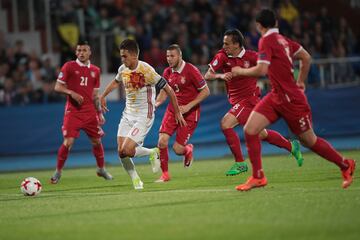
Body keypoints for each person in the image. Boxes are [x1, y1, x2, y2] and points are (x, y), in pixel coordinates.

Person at [232, 9, 356, 191]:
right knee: (250, 129)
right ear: (275, 23)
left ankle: (345, 164)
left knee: (309, 141)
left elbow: (261, 70)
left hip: (291, 100)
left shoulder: (266, 40)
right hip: (276, 96)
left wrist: (240, 71)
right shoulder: (284, 41)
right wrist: (300, 81)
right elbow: (306, 57)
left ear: (259, 26)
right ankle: (258, 176)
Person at [205, 29, 303, 176]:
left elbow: (267, 66)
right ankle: (292, 146)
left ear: (237, 44)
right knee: (261, 134)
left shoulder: (251, 56)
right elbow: (208, 75)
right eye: (223, 43)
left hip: (249, 100)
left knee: (226, 123)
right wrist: (221, 75)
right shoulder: (222, 56)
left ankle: (240, 163)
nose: (224, 46)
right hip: (237, 102)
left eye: (227, 43)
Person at [100, 39, 186, 190]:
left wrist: (177, 111)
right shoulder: (123, 69)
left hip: (143, 115)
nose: (122, 59)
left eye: (124, 56)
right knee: (121, 152)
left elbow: (169, 90)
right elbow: (116, 82)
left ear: (134, 56)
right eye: (121, 56)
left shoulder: (147, 70)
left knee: (128, 150)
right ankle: (137, 177)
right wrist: (103, 96)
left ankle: (152, 152)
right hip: (127, 114)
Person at [50, 40, 113, 184]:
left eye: (84, 50)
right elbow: (57, 87)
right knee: (68, 142)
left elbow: (95, 95)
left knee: (97, 141)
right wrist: (71, 92)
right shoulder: (69, 66)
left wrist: (99, 113)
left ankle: (101, 169)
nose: (81, 53)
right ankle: (58, 172)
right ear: (75, 52)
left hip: (90, 112)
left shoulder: (95, 70)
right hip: (73, 112)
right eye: (78, 50)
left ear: (90, 52)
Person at [154, 44, 210, 182]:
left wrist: (189, 106)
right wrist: (155, 104)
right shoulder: (167, 72)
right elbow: (163, 92)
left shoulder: (191, 70)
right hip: (173, 110)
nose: (169, 59)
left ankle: (187, 150)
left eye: (172, 56)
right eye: (167, 56)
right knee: (162, 141)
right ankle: (165, 174)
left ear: (180, 56)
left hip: (190, 113)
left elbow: (206, 91)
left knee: (178, 149)